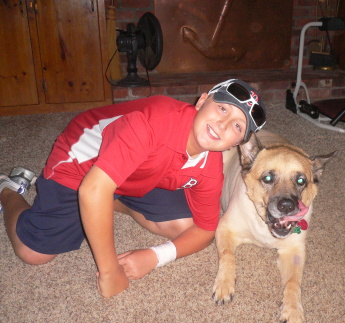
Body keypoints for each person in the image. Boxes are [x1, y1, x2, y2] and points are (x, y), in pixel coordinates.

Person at [0, 79, 267, 298]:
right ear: (201, 101)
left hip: (139, 172)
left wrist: (154, 257)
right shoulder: (154, 121)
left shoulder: (210, 165)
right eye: (222, 109)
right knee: (32, 253)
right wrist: (109, 272)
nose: (222, 125)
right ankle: (8, 189)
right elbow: (92, 189)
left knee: (186, 226)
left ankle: (113, 201)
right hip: (83, 164)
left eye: (236, 126)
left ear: (235, 144)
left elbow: (206, 230)